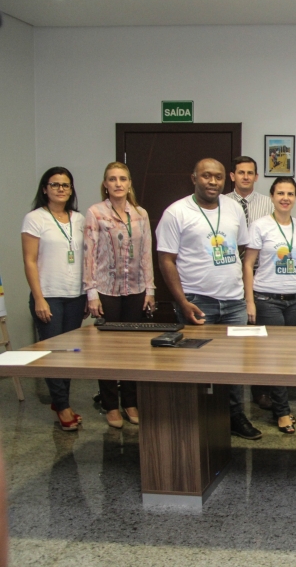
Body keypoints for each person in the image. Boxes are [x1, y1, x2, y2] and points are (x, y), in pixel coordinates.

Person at [156, 158, 261, 440]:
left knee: (235, 364)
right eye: (206, 176)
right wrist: (182, 301)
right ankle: (199, 421)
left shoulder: (233, 207)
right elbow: (166, 260)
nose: (213, 182)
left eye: (218, 177)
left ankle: (235, 416)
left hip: (234, 302)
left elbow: (240, 247)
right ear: (194, 178)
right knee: (197, 364)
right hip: (196, 301)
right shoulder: (176, 212)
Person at [83, 161, 155, 428]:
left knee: (133, 349)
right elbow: (89, 254)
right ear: (105, 184)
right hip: (106, 290)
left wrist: (150, 289)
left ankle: (130, 401)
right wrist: (91, 293)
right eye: (112, 179)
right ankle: (110, 404)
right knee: (107, 350)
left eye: (122, 179)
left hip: (135, 289)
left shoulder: (140, 213)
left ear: (129, 183)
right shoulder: (95, 213)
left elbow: (146, 253)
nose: (118, 184)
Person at [242, 176, 296, 434]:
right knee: (276, 355)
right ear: (272, 196)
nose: (285, 198)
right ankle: (282, 411)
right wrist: (249, 300)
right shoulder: (260, 226)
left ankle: (278, 403)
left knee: (288, 355)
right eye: (280, 193)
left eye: (290, 194)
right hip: (267, 300)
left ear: (295, 198)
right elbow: (248, 264)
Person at [21, 167, 86, 431]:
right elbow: (29, 261)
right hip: (48, 296)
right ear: (44, 189)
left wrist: (86, 294)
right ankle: (63, 406)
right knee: (52, 354)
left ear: (71, 190)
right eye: (55, 184)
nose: (60, 189)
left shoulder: (79, 219)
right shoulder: (35, 218)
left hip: (76, 296)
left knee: (69, 354)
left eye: (65, 185)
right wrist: (39, 298)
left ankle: (61, 402)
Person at [226, 156, 276, 411]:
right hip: (231, 277)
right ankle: (229, 392)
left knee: (262, 340)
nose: (245, 176)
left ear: (256, 177)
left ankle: (261, 390)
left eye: (250, 173)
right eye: (240, 172)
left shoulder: (269, 203)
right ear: (232, 176)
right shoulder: (222, 203)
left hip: (264, 277)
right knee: (238, 338)